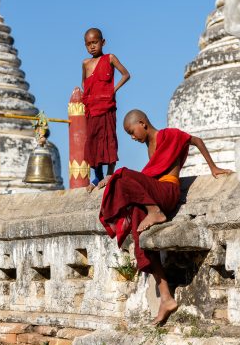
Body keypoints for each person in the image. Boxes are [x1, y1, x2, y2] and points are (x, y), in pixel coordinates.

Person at [99, 109, 232, 325]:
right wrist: (113, 179)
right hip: (154, 194)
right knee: (139, 236)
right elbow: (147, 177)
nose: (133, 138)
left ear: (142, 123)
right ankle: (166, 297)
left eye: (132, 132)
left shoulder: (168, 135)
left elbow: (195, 140)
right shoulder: (149, 146)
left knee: (122, 175)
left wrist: (213, 167)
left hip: (167, 193)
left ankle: (154, 212)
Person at [82, 28, 130, 192]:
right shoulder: (86, 63)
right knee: (92, 141)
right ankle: (97, 176)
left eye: (95, 43)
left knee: (108, 138)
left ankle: (110, 173)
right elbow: (85, 84)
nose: (92, 47)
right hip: (91, 108)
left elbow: (126, 74)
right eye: (88, 44)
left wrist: (113, 90)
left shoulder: (109, 58)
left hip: (107, 105)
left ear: (103, 42)